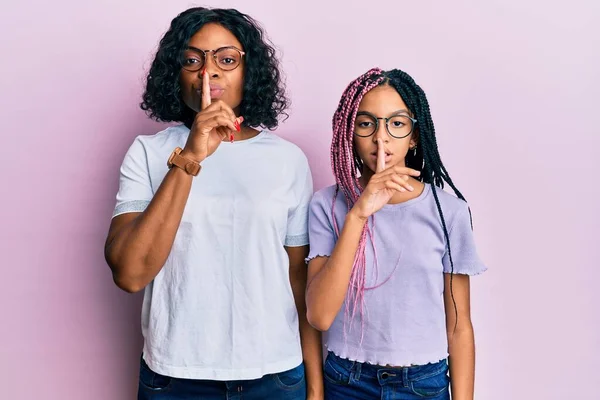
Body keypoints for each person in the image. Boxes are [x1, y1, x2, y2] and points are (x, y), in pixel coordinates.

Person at [104, 7, 323, 399]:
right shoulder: (148, 153)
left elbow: (297, 279)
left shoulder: (288, 160)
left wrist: (315, 384)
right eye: (193, 60)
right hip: (175, 377)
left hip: (274, 376)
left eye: (226, 59)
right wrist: (190, 156)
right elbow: (129, 274)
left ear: (249, 71)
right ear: (177, 75)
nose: (210, 72)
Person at [305, 67, 487, 400]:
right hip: (347, 381)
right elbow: (318, 315)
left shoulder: (449, 212)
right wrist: (359, 214)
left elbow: (459, 327)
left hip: (423, 383)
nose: (381, 137)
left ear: (415, 136)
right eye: (366, 123)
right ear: (349, 132)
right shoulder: (327, 206)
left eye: (397, 123)